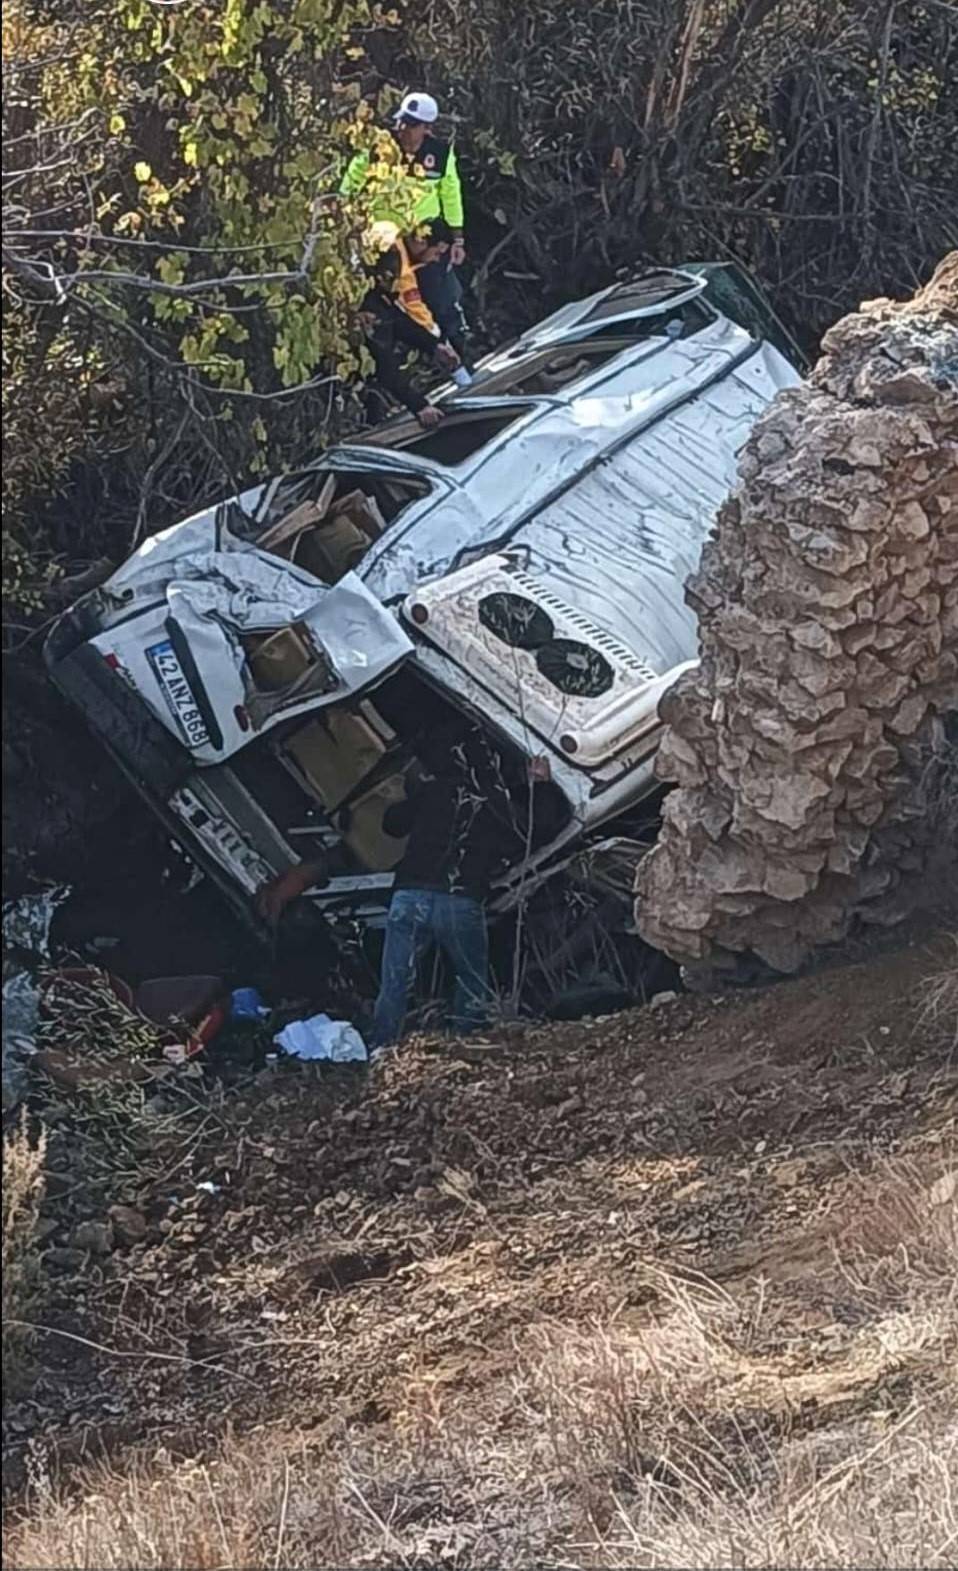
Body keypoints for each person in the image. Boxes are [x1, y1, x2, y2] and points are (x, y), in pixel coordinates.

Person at [369, 730, 553, 1052]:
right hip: (460, 899)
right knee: (471, 980)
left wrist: (403, 792)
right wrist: (541, 785)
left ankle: (382, 1051)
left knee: (395, 984)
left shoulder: (435, 790)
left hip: (409, 895)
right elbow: (537, 830)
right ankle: (465, 1046)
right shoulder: (498, 803)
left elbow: (392, 824)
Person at [340, 91, 469, 359]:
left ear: (426, 128)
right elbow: (348, 188)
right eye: (402, 122)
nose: (402, 129)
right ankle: (429, 355)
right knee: (399, 304)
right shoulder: (378, 149)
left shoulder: (441, 154)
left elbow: (451, 194)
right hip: (385, 241)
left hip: (425, 240)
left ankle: (460, 353)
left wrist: (457, 239)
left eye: (411, 125)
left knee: (440, 297)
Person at [359, 230, 459, 426]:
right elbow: (384, 360)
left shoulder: (382, 285)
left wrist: (433, 346)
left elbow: (394, 319)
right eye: (436, 253)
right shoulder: (366, 307)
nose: (435, 260)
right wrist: (420, 406)